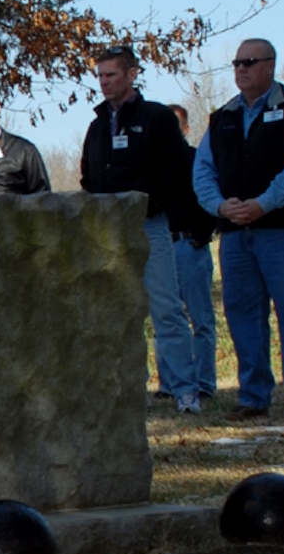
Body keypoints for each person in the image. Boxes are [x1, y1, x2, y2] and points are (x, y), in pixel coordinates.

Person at [193, 39, 284, 421]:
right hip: (235, 234)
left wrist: (263, 203)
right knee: (243, 315)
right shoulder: (222, 118)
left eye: (249, 62)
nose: (241, 69)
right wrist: (220, 205)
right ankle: (253, 397)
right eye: (236, 63)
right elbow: (202, 170)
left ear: (270, 65)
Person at [80, 46, 203, 414]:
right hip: (108, 232)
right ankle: (125, 390)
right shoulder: (98, 125)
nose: (104, 82)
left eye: (111, 75)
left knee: (166, 309)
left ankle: (184, 391)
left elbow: (177, 171)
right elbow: (90, 176)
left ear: (132, 75)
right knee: (116, 312)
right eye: (100, 76)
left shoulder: (156, 118)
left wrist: (148, 203)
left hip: (149, 225)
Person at [169, 101, 219, 401]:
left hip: (191, 246)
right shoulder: (152, 167)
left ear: (186, 129)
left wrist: (202, 235)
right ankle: (170, 383)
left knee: (200, 319)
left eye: (175, 126)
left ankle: (204, 383)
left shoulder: (197, 160)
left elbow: (213, 196)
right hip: (161, 247)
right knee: (169, 320)